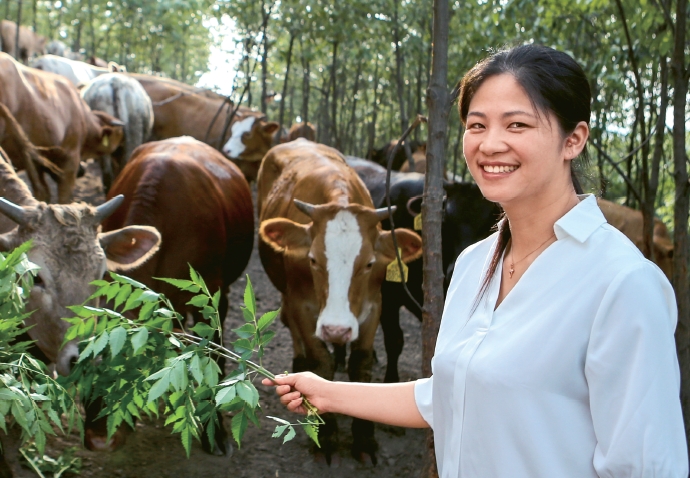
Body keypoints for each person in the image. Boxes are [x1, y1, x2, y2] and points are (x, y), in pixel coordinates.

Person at [262, 44, 688, 477]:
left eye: (517, 124)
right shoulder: (472, 264)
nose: (490, 144)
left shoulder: (624, 284)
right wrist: (328, 392)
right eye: (476, 125)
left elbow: (648, 467)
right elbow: (448, 397)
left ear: (573, 140)